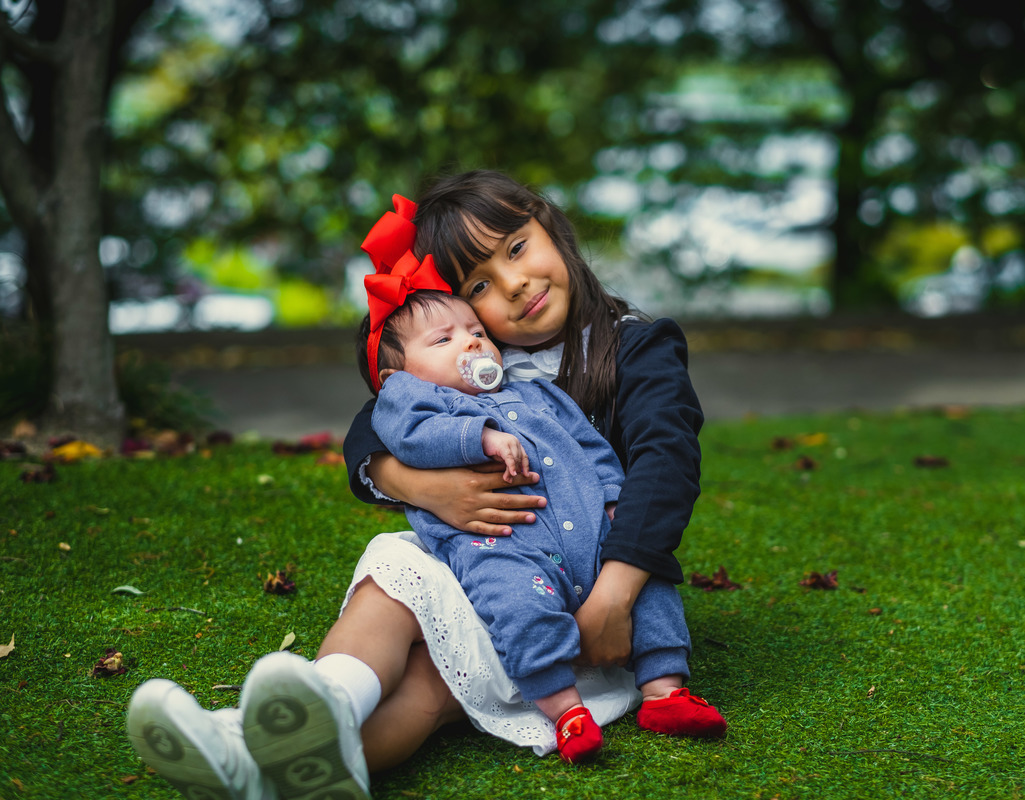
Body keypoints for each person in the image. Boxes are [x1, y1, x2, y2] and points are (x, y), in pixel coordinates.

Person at [126, 171, 720, 798]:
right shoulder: (475, 356)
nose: (515, 285)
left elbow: (666, 466)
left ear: (552, 227)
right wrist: (418, 484)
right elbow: (371, 428)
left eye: (517, 248)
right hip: (488, 564)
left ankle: (255, 756)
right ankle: (274, 734)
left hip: (589, 598)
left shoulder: (635, 347)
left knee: (431, 686)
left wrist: (615, 598)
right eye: (481, 286)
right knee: (394, 584)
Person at [364, 285, 723, 762]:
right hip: (503, 547)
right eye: (443, 340)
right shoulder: (416, 405)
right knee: (516, 605)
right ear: (397, 379)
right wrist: (480, 437)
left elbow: (593, 447)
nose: (471, 343)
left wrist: (613, 501)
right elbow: (411, 436)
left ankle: (665, 690)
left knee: (651, 585)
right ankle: (565, 711)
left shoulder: (536, 392)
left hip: (589, 535)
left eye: (475, 331)